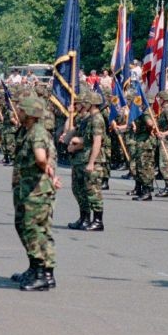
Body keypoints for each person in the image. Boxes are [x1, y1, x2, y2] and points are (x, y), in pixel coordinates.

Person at [11, 95, 59, 291]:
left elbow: (41, 157)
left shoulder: (37, 133)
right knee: (28, 227)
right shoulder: (29, 130)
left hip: (37, 190)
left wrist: (46, 167)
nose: (18, 112)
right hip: (29, 188)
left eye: (21, 109)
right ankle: (38, 269)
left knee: (34, 229)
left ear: (29, 113)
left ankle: (42, 273)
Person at [65, 89, 106, 231]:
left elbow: (97, 142)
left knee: (93, 191)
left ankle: (98, 221)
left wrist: (91, 162)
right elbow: (82, 136)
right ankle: (84, 218)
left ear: (90, 104)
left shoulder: (97, 119)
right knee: (79, 190)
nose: (82, 104)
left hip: (90, 159)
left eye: (85, 102)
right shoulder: (88, 119)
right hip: (81, 159)